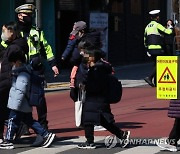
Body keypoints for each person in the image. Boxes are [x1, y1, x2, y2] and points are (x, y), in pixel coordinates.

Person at [0, 36, 55, 149]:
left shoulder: (22, 73)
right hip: (23, 104)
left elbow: (20, 90)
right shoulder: (22, 71)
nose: (11, 65)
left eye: (12, 63)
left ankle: (8, 140)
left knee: (11, 120)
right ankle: (46, 134)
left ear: (18, 62)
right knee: (30, 121)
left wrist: (14, 105)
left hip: (18, 104)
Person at [13, 3, 59, 135]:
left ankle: (43, 125)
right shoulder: (14, 30)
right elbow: (4, 47)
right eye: (27, 15)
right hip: (20, 70)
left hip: (36, 69)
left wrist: (53, 64)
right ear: (20, 16)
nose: (29, 17)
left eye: (31, 15)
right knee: (21, 99)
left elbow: (46, 48)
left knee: (39, 99)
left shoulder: (37, 31)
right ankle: (24, 127)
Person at [75, 48, 130, 149]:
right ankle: (122, 134)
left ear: (92, 58)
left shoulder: (97, 69)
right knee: (102, 120)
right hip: (99, 99)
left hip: (95, 98)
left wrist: (85, 86)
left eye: (87, 55)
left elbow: (96, 85)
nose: (85, 57)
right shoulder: (99, 67)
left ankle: (90, 141)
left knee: (88, 119)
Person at [0, 21, 29, 143]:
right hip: (9, 81)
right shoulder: (13, 45)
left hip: (8, 81)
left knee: (4, 108)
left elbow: (11, 66)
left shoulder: (14, 47)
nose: (3, 34)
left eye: (4, 31)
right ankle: (20, 125)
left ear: (11, 32)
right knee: (11, 109)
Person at [144, 10, 172, 87]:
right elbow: (167, 32)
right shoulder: (157, 25)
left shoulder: (147, 27)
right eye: (158, 16)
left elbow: (145, 39)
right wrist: (170, 27)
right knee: (160, 63)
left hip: (150, 49)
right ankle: (149, 77)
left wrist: (147, 49)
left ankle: (156, 82)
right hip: (157, 48)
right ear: (157, 17)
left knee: (155, 64)